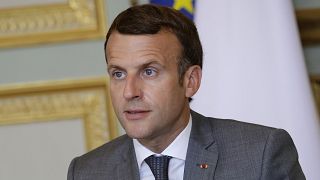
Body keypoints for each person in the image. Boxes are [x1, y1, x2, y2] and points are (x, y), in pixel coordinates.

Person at [67, 4, 305, 180]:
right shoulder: (87, 172)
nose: (129, 92)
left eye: (149, 72)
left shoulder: (260, 155)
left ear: (190, 80)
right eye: (118, 74)